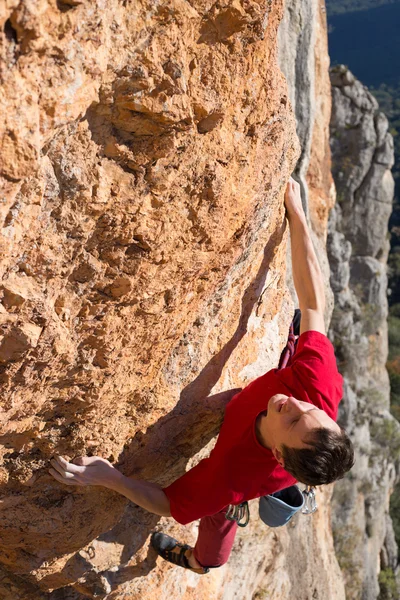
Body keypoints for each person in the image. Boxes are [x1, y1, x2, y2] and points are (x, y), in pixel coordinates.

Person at [49, 178, 354, 575]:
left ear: (277, 455)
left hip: (247, 475)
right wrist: (297, 217)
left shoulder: (236, 476)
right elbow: (312, 302)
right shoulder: (318, 386)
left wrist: (111, 478)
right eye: (310, 409)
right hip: (278, 446)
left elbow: (168, 503)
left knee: (221, 515)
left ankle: (201, 562)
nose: (295, 402)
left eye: (293, 419)